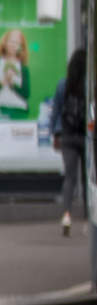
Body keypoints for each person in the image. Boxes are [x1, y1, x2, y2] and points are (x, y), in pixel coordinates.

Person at [58, 44, 89, 235]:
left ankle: (67, 215)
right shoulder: (88, 85)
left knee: (70, 179)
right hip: (86, 136)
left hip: (67, 136)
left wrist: (56, 134)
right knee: (88, 179)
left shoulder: (63, 84)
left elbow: (56, 112)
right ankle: (88, 219)